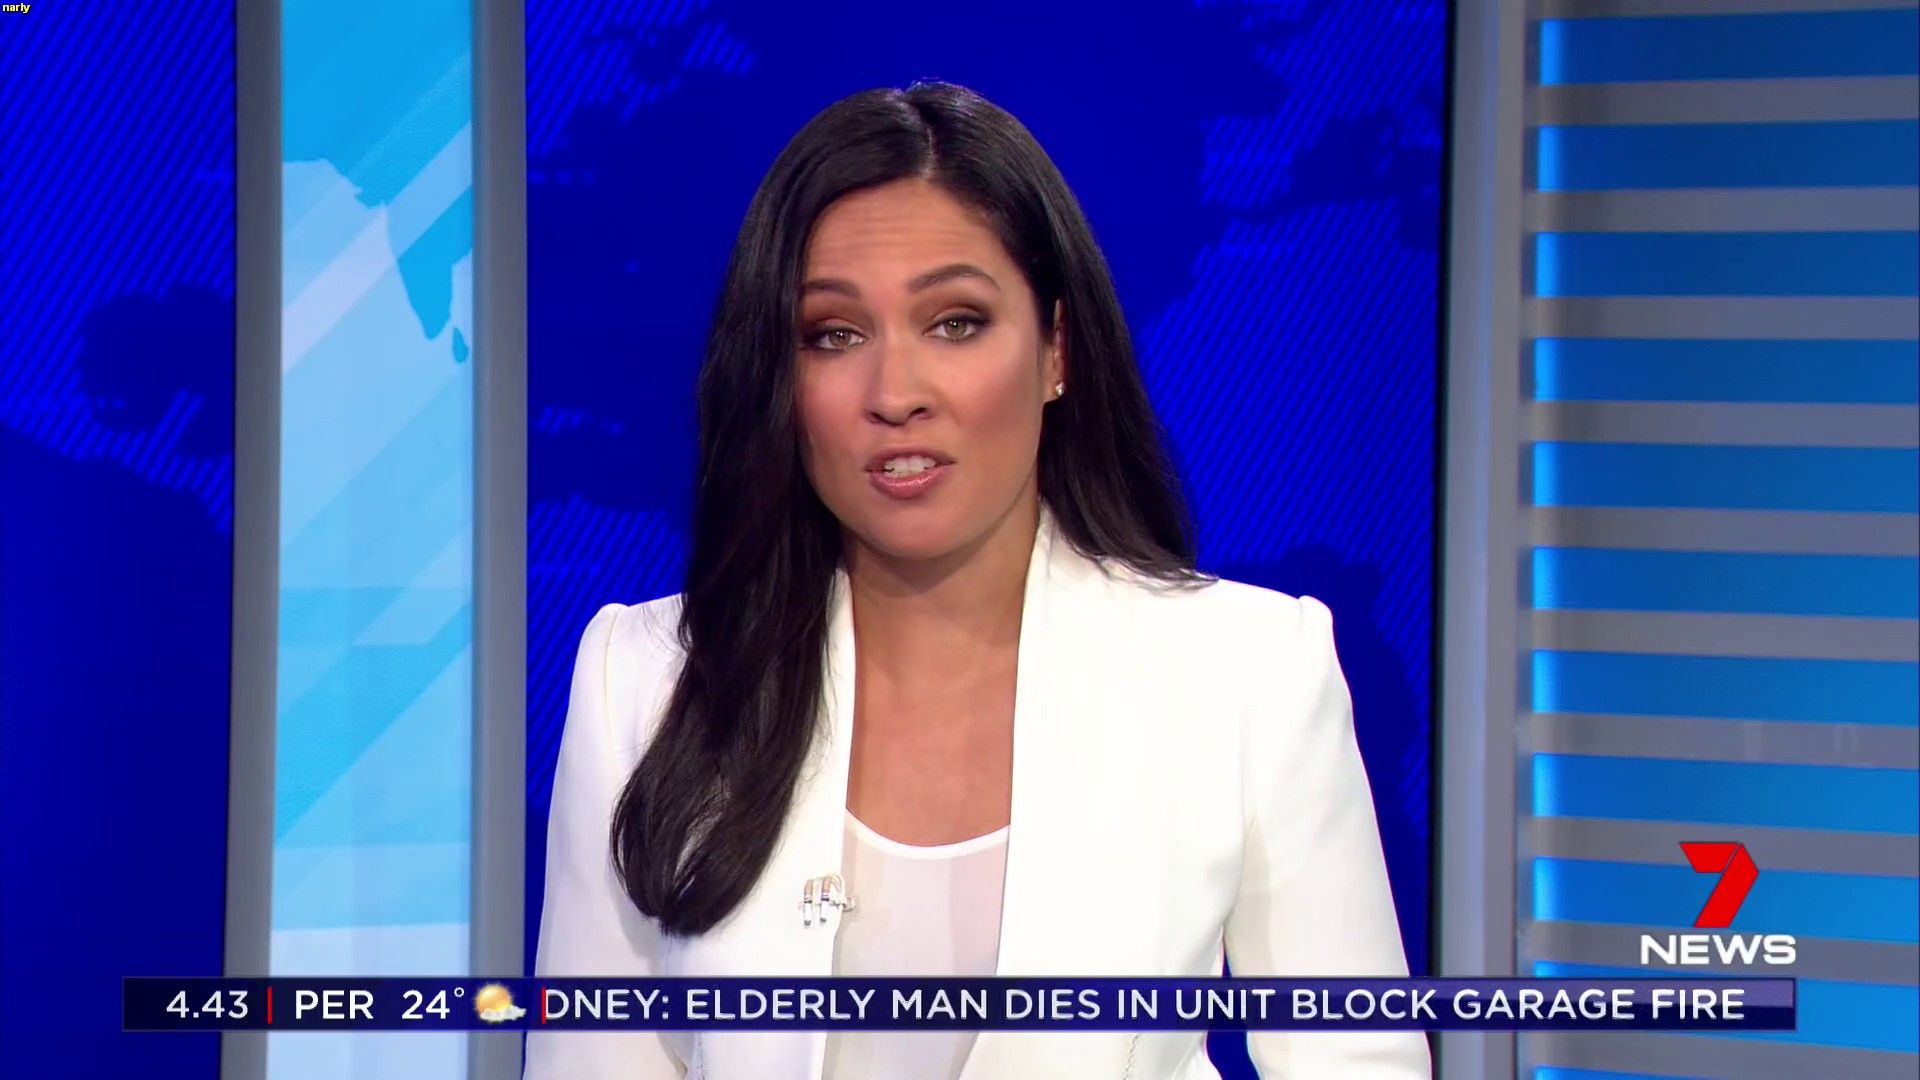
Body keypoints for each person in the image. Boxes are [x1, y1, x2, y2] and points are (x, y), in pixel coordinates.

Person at [525, 82, 1428, 1080]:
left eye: (954, 323)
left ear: (1055, 350)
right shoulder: (645, 680)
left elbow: (1359, 1060)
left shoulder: (1246, 671)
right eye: (834, 334)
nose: (895, 394)